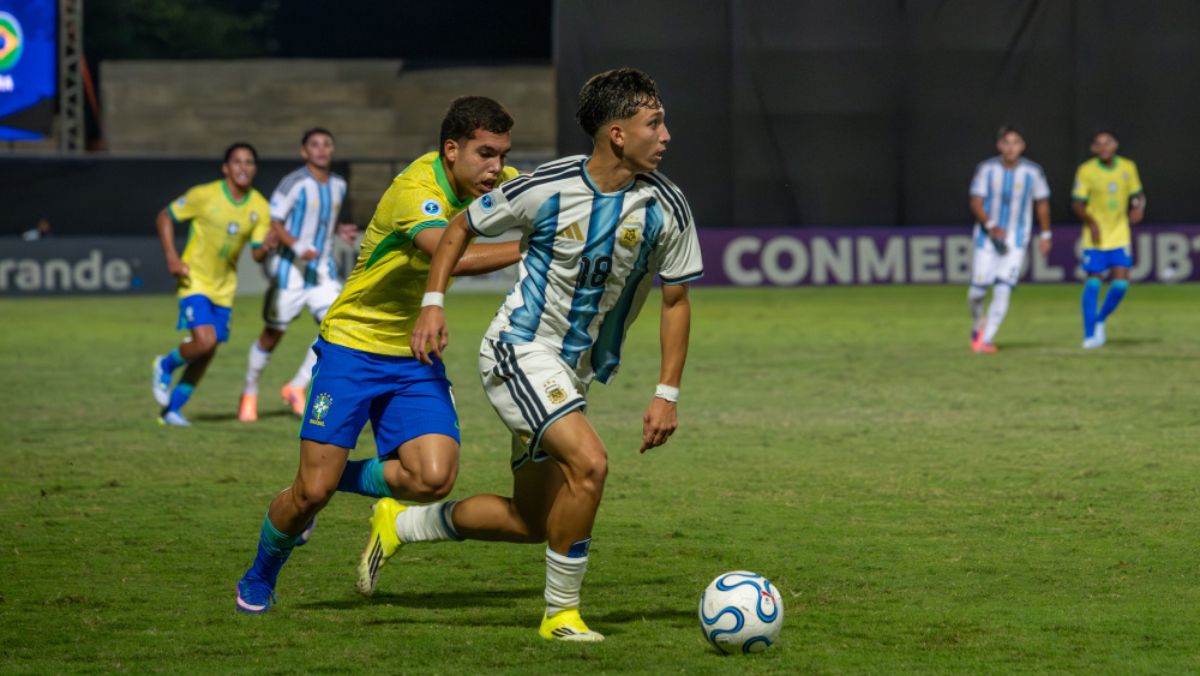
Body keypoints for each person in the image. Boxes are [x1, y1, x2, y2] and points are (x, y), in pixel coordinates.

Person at [366, 67, 704, 642]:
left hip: (572, 374)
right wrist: (432, 302)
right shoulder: (547, 186)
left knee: (532, 520)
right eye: (655, 122)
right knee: (591, 465)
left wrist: (665, 393)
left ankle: (405, 522)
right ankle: (561, 616)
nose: (667, 134)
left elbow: (676, 301)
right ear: (617, 134)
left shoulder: (666, 206)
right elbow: (458, 228)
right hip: (517, 351)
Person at [234, 97, 523, 614]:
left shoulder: (492, 178)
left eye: (502, 155)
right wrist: (534, 247)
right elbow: (448, 255)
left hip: (413, 354)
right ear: (451, 150)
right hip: (352, 346)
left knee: (432, 477)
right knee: (308, 497)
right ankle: (260, 573)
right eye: (485, 154)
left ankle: (330, 478)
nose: (496, 168)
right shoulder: (417, 191)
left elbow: (553, 192)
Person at [151, 143, 272, 427]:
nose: (244, 167)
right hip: (194, 279)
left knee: (208, 351)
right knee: (204, 342)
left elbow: (256, 254)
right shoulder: (204, 195)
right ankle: (164, 365)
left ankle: (171, 410)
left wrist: (267, 247)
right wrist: (171, 257)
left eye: (249, 162)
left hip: (224, 288)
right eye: (238, 162)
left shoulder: (259, 207)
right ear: (226, 168)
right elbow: (164, 216)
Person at [239, 127, 350, 422]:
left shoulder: (339, 184)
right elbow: (274, 220)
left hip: (322, 271)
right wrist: (296, 244)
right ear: (304, 152)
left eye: (327, 144)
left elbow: (324, 220)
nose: (322, 149)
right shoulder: (294, 183)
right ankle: (249, 391)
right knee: (272, 334)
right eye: (315, 145)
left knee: (338, 329)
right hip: (291, 270)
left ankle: (296, 387)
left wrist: (341, 231)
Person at [966, 126, 1052, 353]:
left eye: (1016, 142)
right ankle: (978, 323)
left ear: (1022, 146)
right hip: (987, 239)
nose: (1011, 147)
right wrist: (991, 226)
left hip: (1016, 240)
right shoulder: (986, 169)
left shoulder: (1033, 172)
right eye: (1007, 142)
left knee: (1003, 288)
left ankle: (986, 340)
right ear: (1000, 146)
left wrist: (1045, 234)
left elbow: (1042, 203)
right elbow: (975, 201)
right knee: (977, 292)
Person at [1072, 129, 1145, 349]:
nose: (1103, 147)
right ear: (1094, 149)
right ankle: (1089, 334)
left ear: (1115, 145)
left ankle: (1100, 319)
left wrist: (1138, 209)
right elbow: (1077, 203)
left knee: (1121, 284)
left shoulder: (1128, 167)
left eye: (1108, 143)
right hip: (1095, 236)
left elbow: (1138, 196)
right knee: (1094, 280)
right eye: (1099, 144)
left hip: (1119, 233)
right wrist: (1091, 222)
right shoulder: (1086, 171)